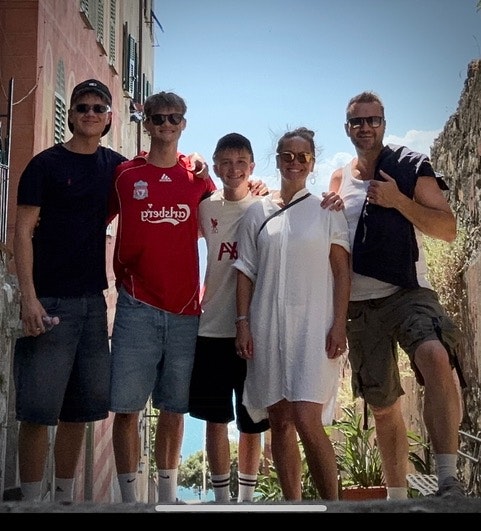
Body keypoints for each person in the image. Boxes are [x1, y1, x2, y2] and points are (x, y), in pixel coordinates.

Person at [329, 90, 466, 499]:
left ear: (384, 124)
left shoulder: (409, 167)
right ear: (347, 128)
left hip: (408, 291)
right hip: (359, 304)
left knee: (435, 356)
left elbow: (447, 229)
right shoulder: (338, 179)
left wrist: (399, 201)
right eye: (357, 121)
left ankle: (447, 479)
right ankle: (397, 498)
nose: (365, 127)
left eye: (373, 120)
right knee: (383, 405)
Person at [13, 79, 127, 502]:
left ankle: (62, 500)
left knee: (79, 412)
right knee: (37, 413)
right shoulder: (44, 165)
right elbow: (21, 233)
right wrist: (29, 298)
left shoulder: (116, 167)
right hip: (49, 300)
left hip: (93, 303)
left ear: (109, 118)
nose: (90, 114)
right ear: (71, 115)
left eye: (99, 108)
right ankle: (30, 502)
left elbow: (155, 173)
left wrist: (196, 166)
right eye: (83, 107)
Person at [108, 91, 217, 504]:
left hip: (187, 310)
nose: (166, 124)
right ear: (147, 123)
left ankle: (168, 500)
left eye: (174, 118)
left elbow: (228, 210)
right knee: (126, 409)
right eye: (158, 118)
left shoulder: (198, 179)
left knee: (174, 409)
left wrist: (258, 186)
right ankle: (129, 502)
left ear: (183, 124)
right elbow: (91, 217)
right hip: (137, 306)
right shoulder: (125, 176)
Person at [234, 127, 351, 501]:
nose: (294, 162)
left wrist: (339, 323)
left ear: (312, 163)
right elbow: (245, 271)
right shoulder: (257, 212)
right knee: (280, 421)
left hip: (314, 326)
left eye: (303, 156)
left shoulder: (326, 210)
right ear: (278, 160)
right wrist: (243, 324)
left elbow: (342, 271)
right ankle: (293, 505)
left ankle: (333, 505)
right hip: (267, 326)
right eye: (287, 155)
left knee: (306, 418)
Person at [188, 133, 270, 503]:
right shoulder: (206, 208)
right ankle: (222, 501)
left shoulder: (266, 206)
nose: (234, 169)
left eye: (241, 162)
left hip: (256, 328)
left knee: (253, 419)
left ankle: (246, 500)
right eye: (226, 162)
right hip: (211, 325)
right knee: (215, 417)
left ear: (251, 166)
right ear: (217, 167)